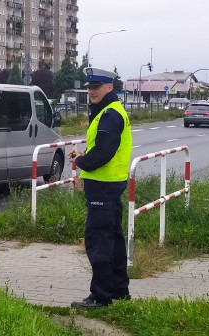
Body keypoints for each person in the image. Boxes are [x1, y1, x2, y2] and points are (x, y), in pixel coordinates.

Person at [69, 67, 132, 309]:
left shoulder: (109, 114)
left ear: (109, 87)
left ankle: (101, 296)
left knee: (99, 241)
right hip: (111, 185)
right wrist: (86, 156)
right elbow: (106, 149)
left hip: (103, 189)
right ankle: (119, 290)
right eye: (89, 87)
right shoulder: (112, 112)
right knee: (114, 238)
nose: (91, 91)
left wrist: (82, 161)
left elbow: (104, 153)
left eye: (96, 87)